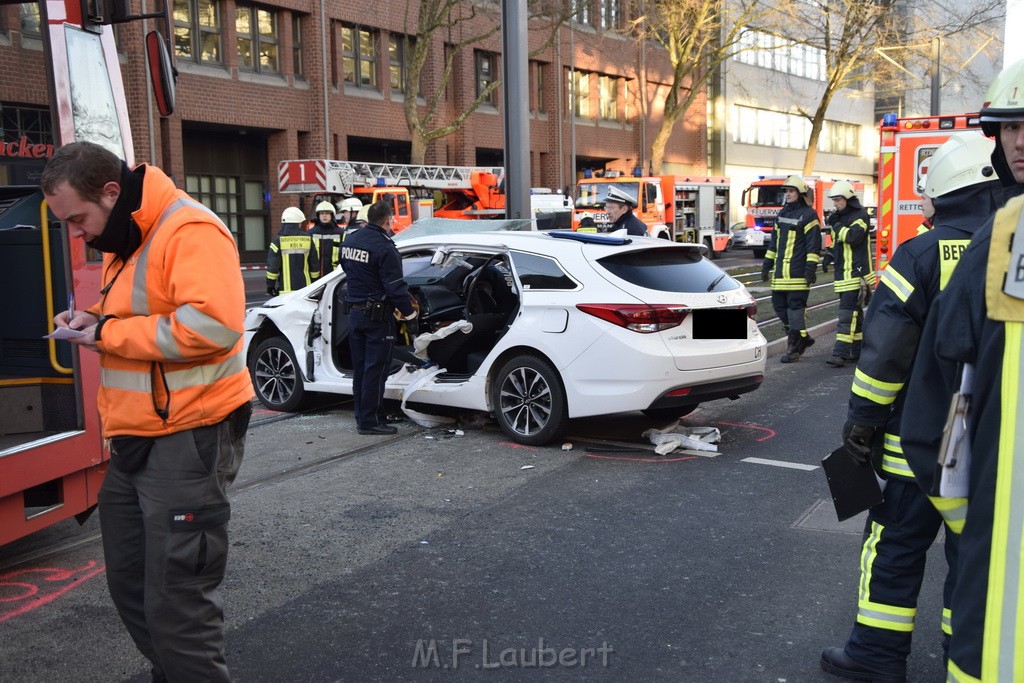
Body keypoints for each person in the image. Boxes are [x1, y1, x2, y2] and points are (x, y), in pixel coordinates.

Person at [41, 141, 253, 682]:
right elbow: (141, 305)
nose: (77, 233)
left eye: (77, 218)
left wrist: (107, 333)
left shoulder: (189, 230)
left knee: (177, 604)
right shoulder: (128, 232)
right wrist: (92, 316)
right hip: (140, 437)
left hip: (189, 435)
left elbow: (213, 327)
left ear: (111, 192)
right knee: (133, 585)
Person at [820, 132, 1003, 683]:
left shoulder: (922, 253)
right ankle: (962, 658)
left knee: (895, 542)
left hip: (917, 436)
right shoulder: (1011, 246)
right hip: (992, 438)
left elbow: (886, 351)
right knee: (972, 558)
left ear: (944, 191)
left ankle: (875, 658)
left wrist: (863, 420)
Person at [900, 59, 1024, 683]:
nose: (1022, 139)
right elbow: (948, 391)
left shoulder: (942, 248)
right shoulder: (994, 244)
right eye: (1012, 126)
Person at [340, 201, 417, 435]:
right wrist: (410, 313)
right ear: (387, 220)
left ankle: (365, 416)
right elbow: (395, 287)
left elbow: (346, 269)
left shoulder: (350, 241)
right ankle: (371, 422)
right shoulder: (385, 247)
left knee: (362, 369)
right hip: (377, 318)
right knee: (376, 370)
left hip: (355, 314)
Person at [760, 175, 821, 362]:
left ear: (800, 193)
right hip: (780, 275)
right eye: (786, 191)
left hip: (798, 274)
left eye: (791, 191)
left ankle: (794, 347)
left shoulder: (809, 215)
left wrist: (810, 269)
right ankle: (802, 337)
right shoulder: (782, 213)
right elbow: (774, 243)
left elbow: (813, 246)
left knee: (795, 310)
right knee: (779, 308)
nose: (788, 194)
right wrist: (767, 264)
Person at [825, 180, 875, 367]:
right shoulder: (840, 217)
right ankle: (858, 350)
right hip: (844, 275)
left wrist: (836, 226)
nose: (835, 203)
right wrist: (830, 252)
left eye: (838, 199)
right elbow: (838, 241)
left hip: (856, 275)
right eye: (834, 200)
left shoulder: (860, 216)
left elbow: (853, 238)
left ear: (848, 198)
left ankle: (840, 354)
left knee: (846, 315)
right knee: (855, 315)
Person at [266, 206, 318, 295]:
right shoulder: (308, 239)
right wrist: (315, 282)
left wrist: (270, 284)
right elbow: (314, 264)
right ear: (299, 223)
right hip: (305, 288)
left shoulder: (277, 240)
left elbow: (273, 265)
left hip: (285, 290)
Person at [309, 200, 344, 276]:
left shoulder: (340, 233)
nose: (324, 216)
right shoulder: (311, 233)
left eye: (327, 213)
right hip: (315, 275)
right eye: (322, 213)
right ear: (318, 215)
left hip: (334, 275)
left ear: (332, 215)